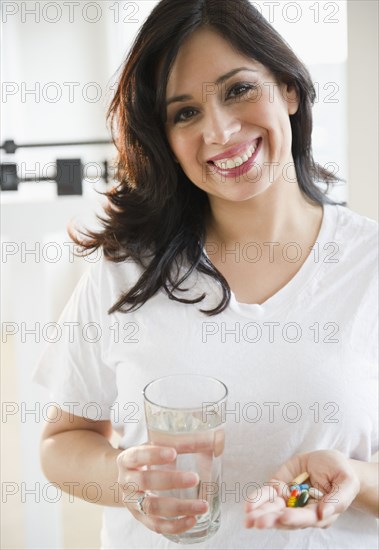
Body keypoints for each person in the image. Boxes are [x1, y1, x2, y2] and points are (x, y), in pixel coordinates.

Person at [33, 0, 378, 548]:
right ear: (164, 138)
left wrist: (357, 479)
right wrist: (120, 480)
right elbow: (62, 442)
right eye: (184, 112)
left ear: (288, 88)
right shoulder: (128, 269)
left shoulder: (369, 265)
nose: (218, 131)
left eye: (238, 89)